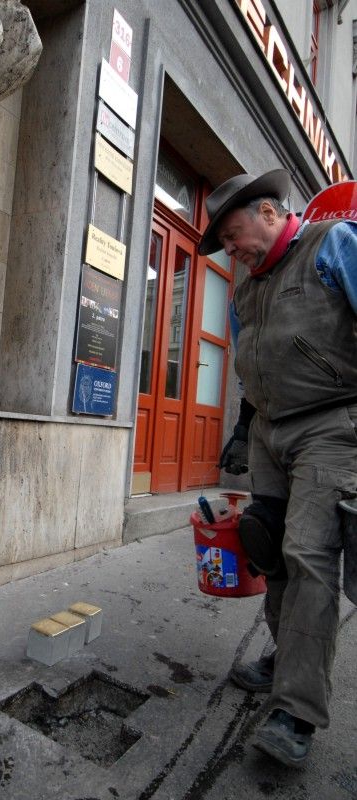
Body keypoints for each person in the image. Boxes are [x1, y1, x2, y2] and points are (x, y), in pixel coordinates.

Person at [198, 169, 357, 768]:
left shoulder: (332, 246)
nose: (232, 252)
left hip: (333, 425)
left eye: (235, 236)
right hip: (270, 431)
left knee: (309, 557)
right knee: (268, 550)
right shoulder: (246, 291)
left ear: (269, 214)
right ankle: (284, 654)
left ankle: (297, 713)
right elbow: (249, 366)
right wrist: (244, 430)